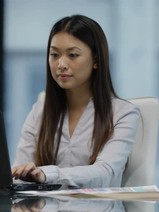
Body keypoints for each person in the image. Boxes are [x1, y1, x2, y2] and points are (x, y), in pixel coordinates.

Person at [11, 14, 140, 188]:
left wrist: (46, 174)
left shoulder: (123, 113)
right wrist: (21, 173)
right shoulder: (39, 111)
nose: (61, 64)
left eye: (72, 55)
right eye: (54, 55)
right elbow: (18, 173)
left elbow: (105, 172)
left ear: (95, 60)